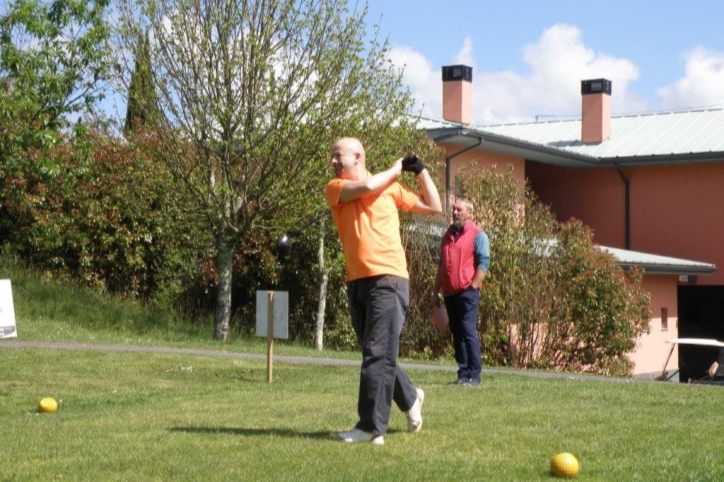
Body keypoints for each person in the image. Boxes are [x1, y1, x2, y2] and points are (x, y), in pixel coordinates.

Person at [325, 137, 442, 444]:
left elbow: (435, 207)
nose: (334, 162)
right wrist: (396, 168)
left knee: (378, 352)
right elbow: (367, 188)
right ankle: (410, 397)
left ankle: (370, 427)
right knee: (378, 351)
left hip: (389, 279)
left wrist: (420, 170)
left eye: (339, 156)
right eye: (333, 157)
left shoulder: (391, 188)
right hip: (357, 281)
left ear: (358, 157)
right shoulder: (336, 188)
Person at [432, 198, 490, 387]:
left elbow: (484, 262)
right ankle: (463, 373)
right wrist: (435, 292)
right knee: (457, 332)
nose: (455, 212)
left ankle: (475, 376)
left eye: (459, 209)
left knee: (468, 330)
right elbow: (442, 265)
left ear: (469, 213)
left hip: (468, 292)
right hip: (450, 293)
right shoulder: (447, 235)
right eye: (453, 209)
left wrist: (474, 285)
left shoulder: (478, 235)